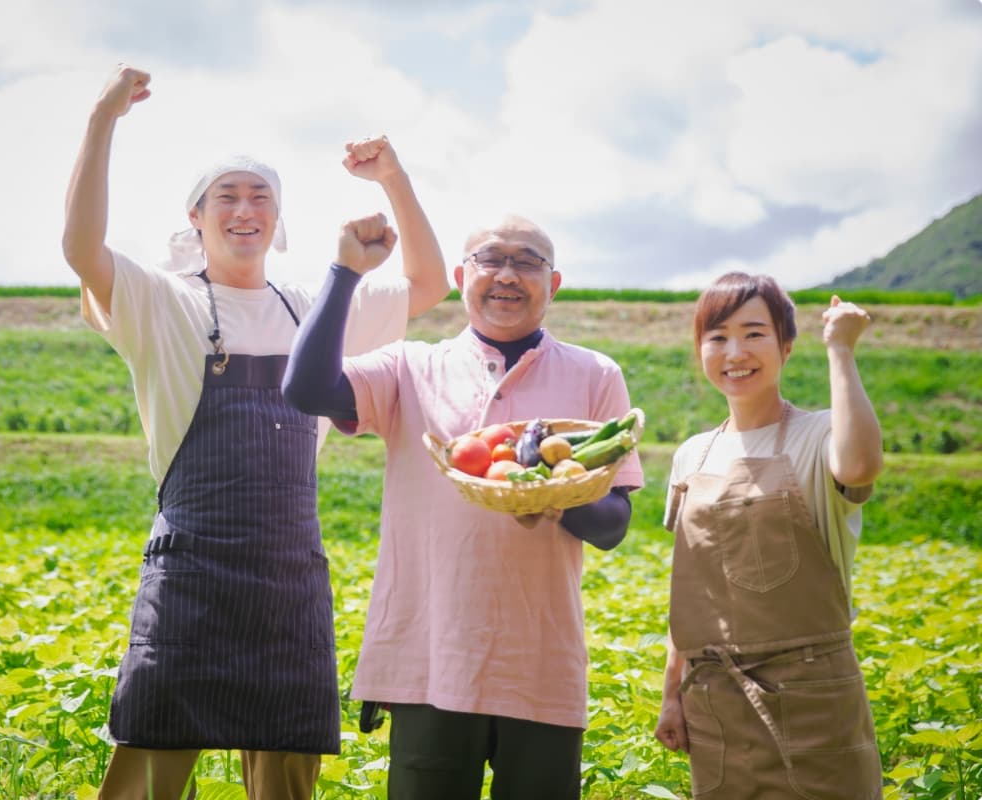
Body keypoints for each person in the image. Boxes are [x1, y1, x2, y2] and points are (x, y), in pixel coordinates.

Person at [61, 63, 449, 800]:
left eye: (260, 197)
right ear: (197, 218)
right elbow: (82, 250)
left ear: (278, 219)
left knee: (285, 779)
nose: (244, 210)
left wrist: (392, 178)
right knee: (149, 771)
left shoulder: (313, 307)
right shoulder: (161, 303)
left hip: (286, 580)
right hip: (190, 575)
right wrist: (102, 119)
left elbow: (428, 284)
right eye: (225, 197)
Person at [282, 214, 645, 799]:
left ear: (552, 285)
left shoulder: (595, 375)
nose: (507, 274)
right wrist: (347, 271)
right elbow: (305, 389)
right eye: (490, 260)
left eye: (527, 261)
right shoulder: (409, 367)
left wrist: (555, 499)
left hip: (542, 666)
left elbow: (613, 525)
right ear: (461, 277)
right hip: (432, 662)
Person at [653, 272, 885, 798]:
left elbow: (860, 464)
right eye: (717, 336)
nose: (735, 351)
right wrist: (672, 692)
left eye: (754, 333)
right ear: (700, 350)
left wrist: (841, 351)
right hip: (716, 701)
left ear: (785, 346)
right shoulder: (693, 454)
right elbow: (691, 586)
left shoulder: (820, 432)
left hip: (813, 699)